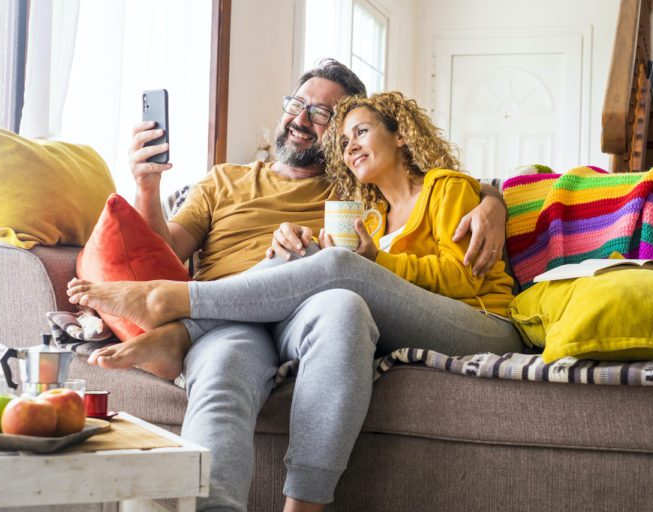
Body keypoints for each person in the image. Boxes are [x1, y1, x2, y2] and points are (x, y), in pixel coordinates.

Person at [70, 61, 510, 512]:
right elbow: (165, 249)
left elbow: (435, 183)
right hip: (232, 324)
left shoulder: (359, 190)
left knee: (344, 307)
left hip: (302, 314)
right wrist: (147, 185)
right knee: (224, 368)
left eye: (322, 115)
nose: (301, 120)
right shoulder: (225, 180)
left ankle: (181, 320)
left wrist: (494, 204)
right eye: (297, 105)